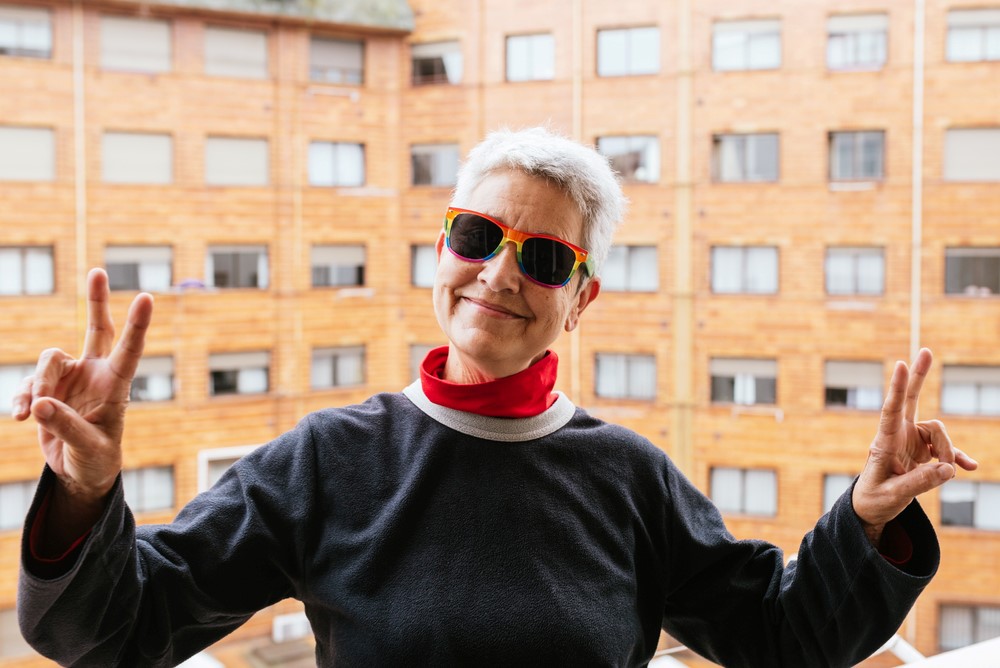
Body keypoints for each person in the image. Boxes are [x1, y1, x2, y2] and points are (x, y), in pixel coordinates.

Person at [15, 127, 978, 667]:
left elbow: (782, 637)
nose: (500, 273)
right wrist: (87, 496)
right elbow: (105, 632)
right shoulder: (329, 461)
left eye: (547, 256)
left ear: (581, 298)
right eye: (477, 235)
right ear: (441, 251)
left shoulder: (626, 477)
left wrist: (865, 518)